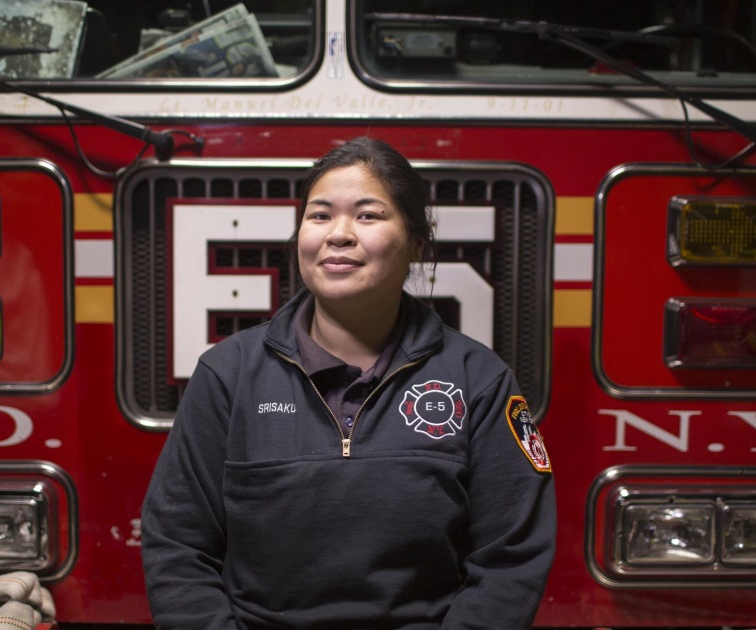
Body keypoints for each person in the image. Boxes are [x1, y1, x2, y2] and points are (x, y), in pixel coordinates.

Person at [140, 136, 557, 629]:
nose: (338, 234)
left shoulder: (481, 380)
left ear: (416, 243)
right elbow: (177, 545)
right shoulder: (227, 375)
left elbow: (512, 557)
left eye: (368, 215)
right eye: (319, 216)